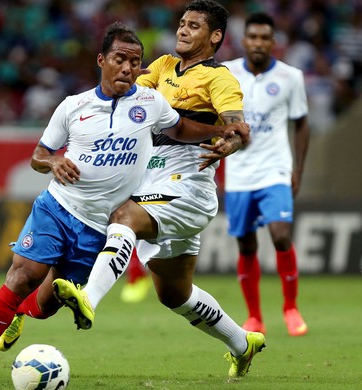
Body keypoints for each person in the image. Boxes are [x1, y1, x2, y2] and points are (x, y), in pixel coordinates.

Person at [0, 21, 249, 385]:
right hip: (58, 208)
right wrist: (53, 161)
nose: (127, 67)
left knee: (44, 306)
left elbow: (181, 129)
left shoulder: (150, 101)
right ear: (101, 60)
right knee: (22, 276)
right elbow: (39, 154)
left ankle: (20, 314)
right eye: (120, 59)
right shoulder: (73, 106)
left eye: (135, 61)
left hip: (98, 228)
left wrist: (221, 131)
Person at [52, 0, 266, 379]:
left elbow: (237, 127)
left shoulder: (219, 79)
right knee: (174, 293)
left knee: (123, 217)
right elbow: (127, 93)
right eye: (182, 23)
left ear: (215, 36)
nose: (183, 30)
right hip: (152, 179)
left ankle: (89, 299)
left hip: (189, 185)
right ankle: (242, 343)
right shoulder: (164, 67)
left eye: (194, 26)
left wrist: (227, 144)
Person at [222, 12, 310, 337]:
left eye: (264, 38)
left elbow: (301, 123)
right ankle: (255, 317)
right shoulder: (226, 73)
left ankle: (290, 308)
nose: (258, 43)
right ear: (244, 40)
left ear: (274, 42)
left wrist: (297, 168)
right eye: (253, 37)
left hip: (276, 169)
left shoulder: (291, 77)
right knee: (246, 245)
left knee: (281, 235)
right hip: (240, 174)